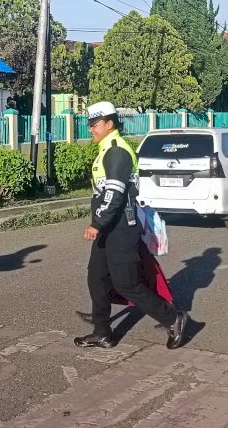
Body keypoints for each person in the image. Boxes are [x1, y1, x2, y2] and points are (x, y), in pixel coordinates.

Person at [74, 101, 188, 350]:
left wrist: (97, 223)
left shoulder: (117, 151)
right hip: (110, 227)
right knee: (97, 277)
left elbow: (114, 193)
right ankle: (102, 332)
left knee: (127, 284)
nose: (91, 129)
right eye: (90, 125)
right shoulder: (107, 149)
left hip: (121, 227)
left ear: (109, 124)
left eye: (95, 125)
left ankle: (174, 318)